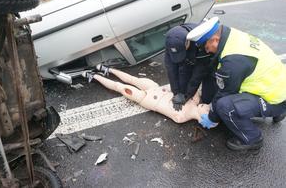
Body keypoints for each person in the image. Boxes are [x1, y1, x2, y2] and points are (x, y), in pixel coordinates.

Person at [186, 17, 286, 151]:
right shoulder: (232, 35)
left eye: (207, 47)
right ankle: (277, 111)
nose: (207, 51)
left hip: (275, 98)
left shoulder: (233, 62)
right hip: (278, 86)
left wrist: (211, 118)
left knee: (224, 106)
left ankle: (252, 138)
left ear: (215, 40)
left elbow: (224, 93)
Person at [82, 64, 212, 125]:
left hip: (148, 99)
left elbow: (176, 115)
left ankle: (94, 77)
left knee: (119, 87)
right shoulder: (196, 100)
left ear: (203, 117)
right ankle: (107, 69)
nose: (207, 107)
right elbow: (191, 85)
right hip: (158, 89)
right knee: (132, 79)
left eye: (208, 110)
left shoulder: (181, 117)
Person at [164, 24, 217, 112]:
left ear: (187, 42)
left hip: (209, 59)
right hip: (192, 53)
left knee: (207, 97)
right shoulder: (170, 42)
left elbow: (198, 74)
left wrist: (187, 95)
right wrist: (177, 93)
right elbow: (171, 69)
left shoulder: (201, 42)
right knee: (183, 69)